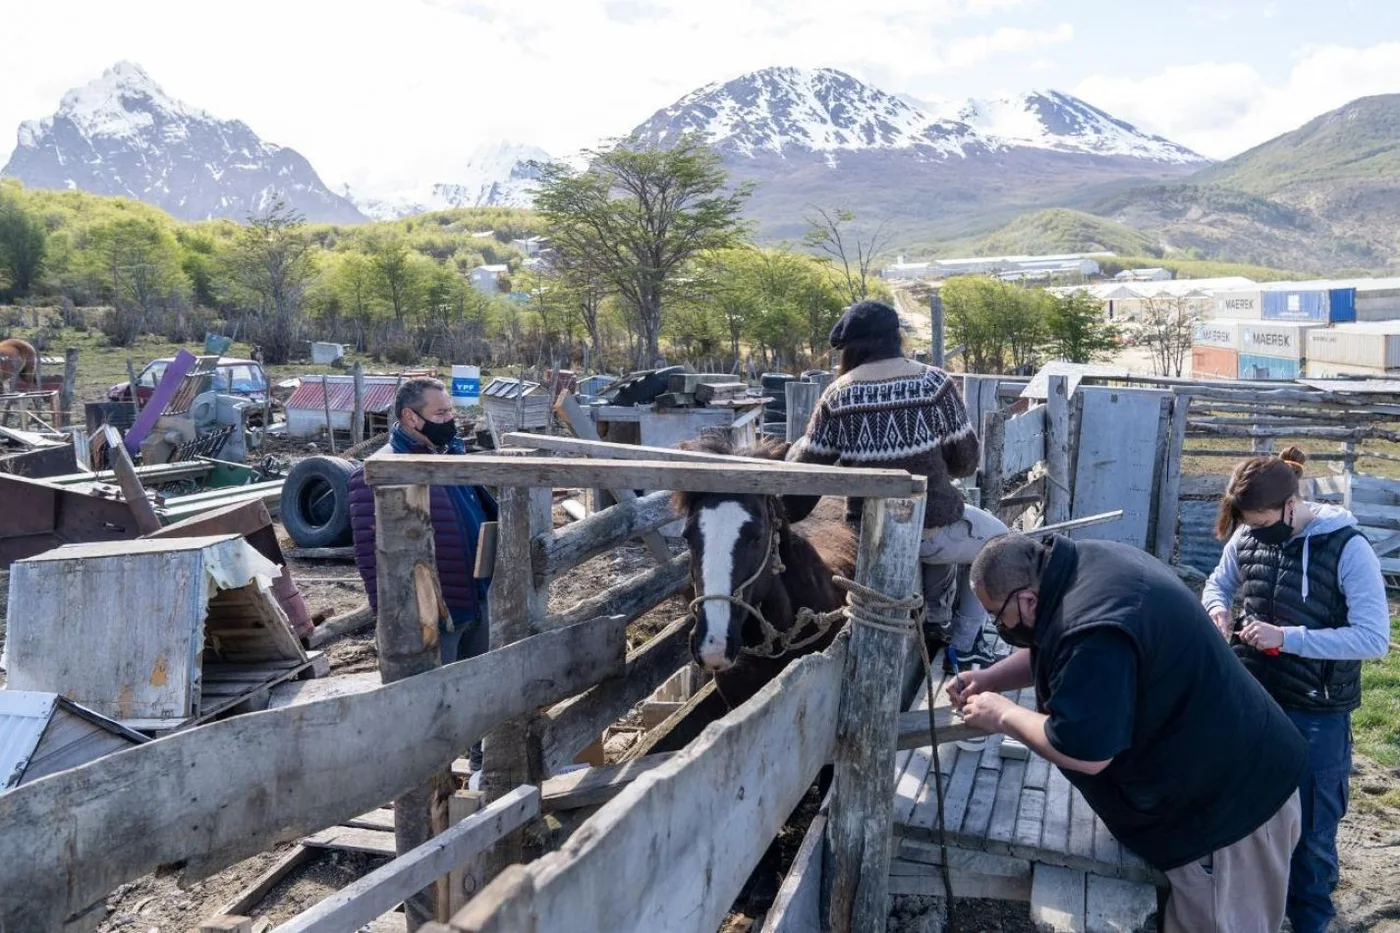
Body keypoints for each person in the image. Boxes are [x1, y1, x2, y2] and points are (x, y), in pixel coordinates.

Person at [959, 532, 1308, 933]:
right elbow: (1057, 646)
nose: (997, 626)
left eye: (996, 616)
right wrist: (990, 679)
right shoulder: (1079, 566)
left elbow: (1085, 750)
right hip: (1219, 766)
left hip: (1231, 814)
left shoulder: (1093, 627)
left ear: (1026, 601)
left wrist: (1003, 714)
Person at [1203, 447, 1389, 933]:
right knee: (1243, 818)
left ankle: (1312, 921)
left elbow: (1374, 638)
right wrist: (1216, 610)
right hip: (1250, 700)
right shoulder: (1246, 534)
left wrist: (1288, 638)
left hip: (1316, 712)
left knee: (1310, 834)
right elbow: (1216, 584)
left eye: (1263, 521)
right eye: (1249, 523)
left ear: (1291, 505)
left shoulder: (1348, 547)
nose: (1255, 530)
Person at [784, 299, 1003, 666]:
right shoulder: (934, 383)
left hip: (870, 540)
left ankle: (933, 621)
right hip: (930, 534)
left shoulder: (838, 394)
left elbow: (806, 472)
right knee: (998, 544)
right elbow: (966, 463)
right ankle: (964, 647)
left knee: (951, 533)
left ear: (850, 348)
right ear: (895, 337)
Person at [348, 378, 497, 756]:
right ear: (410, 418)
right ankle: (436, 784)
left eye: (451, 410)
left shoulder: (452, 455)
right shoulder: (381, 472)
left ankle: (481, 768)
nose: (452, 419)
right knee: (436, 704)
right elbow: (371, 557)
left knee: (481, 690)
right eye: (441, 413)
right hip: (432, 612)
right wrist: (392, 619)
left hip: (476, 596)